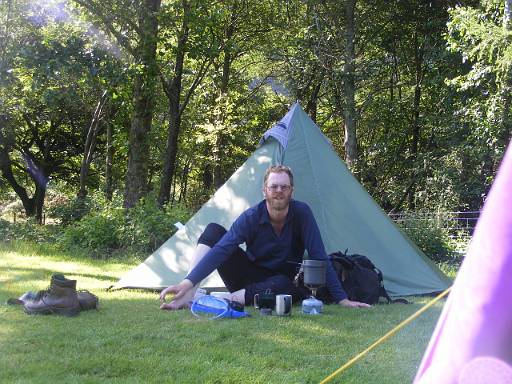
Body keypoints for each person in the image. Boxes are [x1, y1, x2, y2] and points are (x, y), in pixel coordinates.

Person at [160, 165, 370, 310]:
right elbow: (221, 250)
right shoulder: (251, 217)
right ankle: (188, 295)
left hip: (280, 284)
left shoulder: (302, 213)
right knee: (214, 231)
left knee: (287, 286)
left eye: (284, 187)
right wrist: (187, 282)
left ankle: (223, 300)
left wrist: (342, 299)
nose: (279, 191)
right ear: (265, 191)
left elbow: (319, 257)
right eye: (274, 186)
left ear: (291, 191)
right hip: (247, 279)